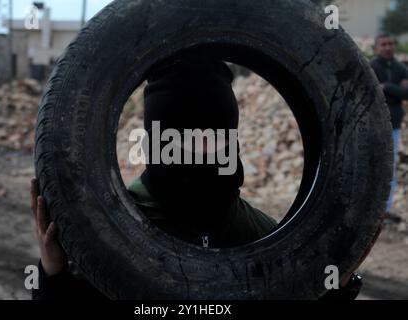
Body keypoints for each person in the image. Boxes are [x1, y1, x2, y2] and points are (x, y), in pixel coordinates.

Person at [31, 54, 363, 300]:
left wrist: (338, 286)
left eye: (214, 136)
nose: (199, 148)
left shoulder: (266, 240)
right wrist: (55, 276)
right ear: (154, 143)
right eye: (179, 138)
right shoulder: (108, 230)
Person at [370, 33, 408, 222]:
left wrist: (387, 87)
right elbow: (370, 91)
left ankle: (384, 210)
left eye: (390, 43)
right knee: (370, 166)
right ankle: (367, 208)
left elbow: (406, 92)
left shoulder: (401, 68)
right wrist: (394, 89)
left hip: (393, 127)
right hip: (371, 127)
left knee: (389, 169)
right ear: (376, 48)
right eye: (383, 44)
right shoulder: (370, 67)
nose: (387, 47)